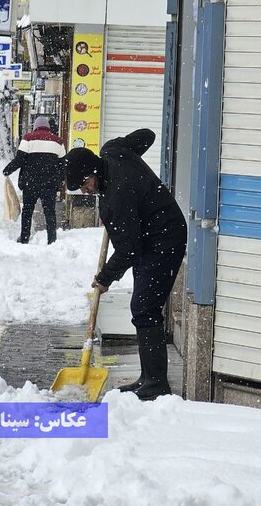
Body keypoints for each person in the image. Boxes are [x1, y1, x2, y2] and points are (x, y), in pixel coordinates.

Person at [63, 129, 187, 400]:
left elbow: (128, 250)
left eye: (84, 185)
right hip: (149, 236)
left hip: (164, 239)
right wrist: (131, 158)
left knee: (144, 308)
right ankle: (147, 377)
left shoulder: (117, 198)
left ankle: (156, 382)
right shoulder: (114, 150)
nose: (85, 191)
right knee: (143, 306)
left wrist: (105, 277)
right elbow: (148, 135)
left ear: (91, 173)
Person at [3, 115, 66, 244]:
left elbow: (19, 160)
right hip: (49, 184)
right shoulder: (58, 142)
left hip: (30, 182)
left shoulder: (28, 139)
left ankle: (24, 237)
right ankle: (52, 239)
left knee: (27, 211)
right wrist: (61, 180)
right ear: (48, 127)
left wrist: (7, 170)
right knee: (49, 211)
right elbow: (63, 164)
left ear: (35, 126)